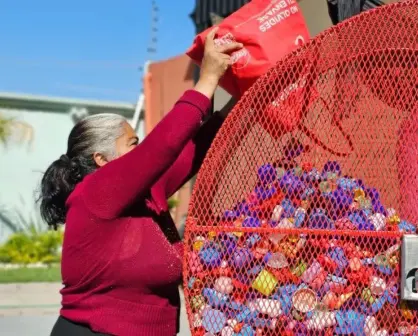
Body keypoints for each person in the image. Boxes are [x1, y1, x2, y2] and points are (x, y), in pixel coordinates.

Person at [39, 27, 242, 336]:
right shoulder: (96, 193)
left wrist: (242, 95)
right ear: (101, 160)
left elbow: (194, 148)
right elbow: (162, 146)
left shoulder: (145, 194)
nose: (140, 150)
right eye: (132, 144)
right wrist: (207, 79)